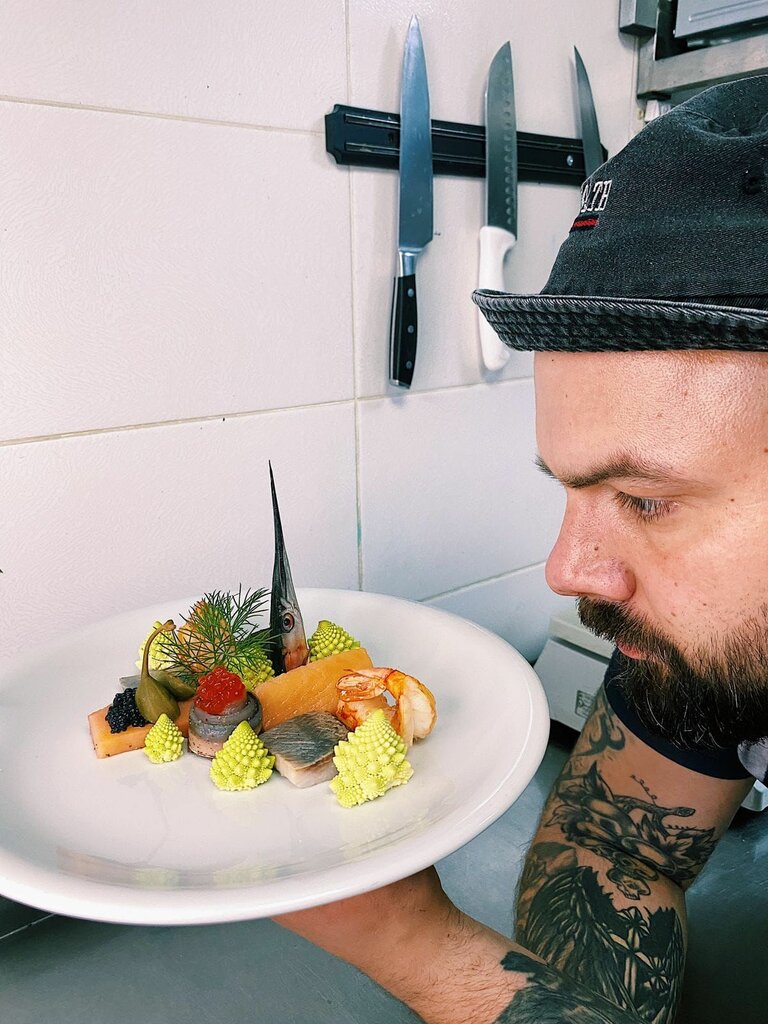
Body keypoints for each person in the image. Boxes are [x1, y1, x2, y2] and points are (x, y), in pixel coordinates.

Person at [276, 76, 768, 1023]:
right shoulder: (713, 645)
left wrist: (415, 948)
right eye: (571, 489)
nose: (567, 572)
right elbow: (613, 846)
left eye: (646, 499)